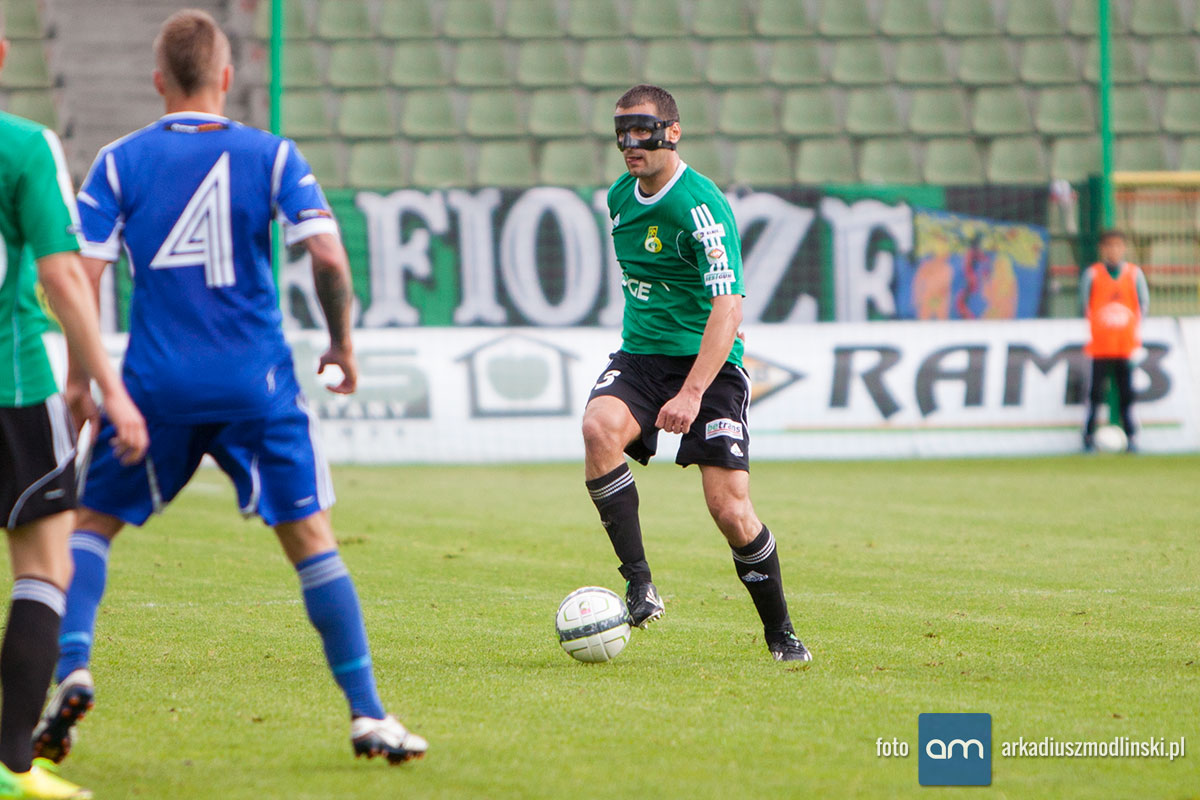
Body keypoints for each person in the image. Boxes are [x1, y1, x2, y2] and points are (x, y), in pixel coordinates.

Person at [31, 10, 426, 767]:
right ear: (225, 76)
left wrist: (83, 380)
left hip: (154, 388)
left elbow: (81, 277)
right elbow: (328, 257)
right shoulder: (271, 155)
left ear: (158, 82)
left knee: (90, 526)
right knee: (312, 542)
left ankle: (74, 666)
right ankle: (368, 714)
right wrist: (342, 345)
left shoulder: (119, 162)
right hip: (257, 385)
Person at [581, 84, 812, 662]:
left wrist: (692, 393)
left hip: (708, 368)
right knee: (598, 428)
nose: (630, 143)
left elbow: (728, 308)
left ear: (673, 132)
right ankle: (640, 585)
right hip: (641, 358)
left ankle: (781, 633)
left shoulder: (701, 206)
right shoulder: (619, 197)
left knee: (729, 510)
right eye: (621, 133)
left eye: (643, 130)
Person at [0, 8, 148, 798]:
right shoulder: (24, 146)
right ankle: (11, 766)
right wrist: (108, 386)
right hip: (14, 386)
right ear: (2, 54)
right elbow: (62, 275)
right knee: (44, 567)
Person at [1081, 229, 1148, 452]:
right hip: (1100, 345)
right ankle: (1088, 437)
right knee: (1095, 394)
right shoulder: (1093, 274)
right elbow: (1084, 305)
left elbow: (1143, 306)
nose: (1114, 250)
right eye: (1109, 246)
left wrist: (1132, 331)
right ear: (1102, 249)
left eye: (1118, 246)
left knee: (1126, 393)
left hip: (1125, 345)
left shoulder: (1134, 274)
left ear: (1124, 248)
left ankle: (1132, 437)